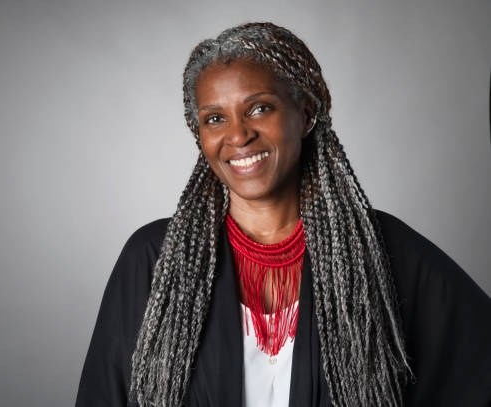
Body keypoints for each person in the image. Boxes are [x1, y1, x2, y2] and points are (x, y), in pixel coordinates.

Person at [75, 22, 491, 407]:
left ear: (305, 115)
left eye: (259, 108)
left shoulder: (380, 249)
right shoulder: (153, 259)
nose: (238, 135)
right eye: (215, 118)